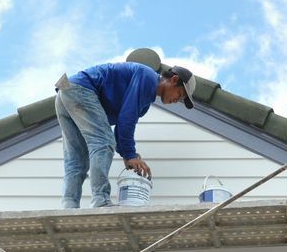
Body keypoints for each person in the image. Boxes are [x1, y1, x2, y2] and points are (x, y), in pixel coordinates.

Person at [54, 62, 196, 208]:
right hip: (81, 89)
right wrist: (130, 155)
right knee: (103, 142)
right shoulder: (147, 78)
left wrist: (127, 154)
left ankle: (69, 204)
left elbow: (122, 125)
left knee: (77, 159)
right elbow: (127, 118)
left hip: (66, 91)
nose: (176, 101)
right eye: (179, 94)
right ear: (173, 80)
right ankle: (100, 200)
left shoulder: (146, 99)